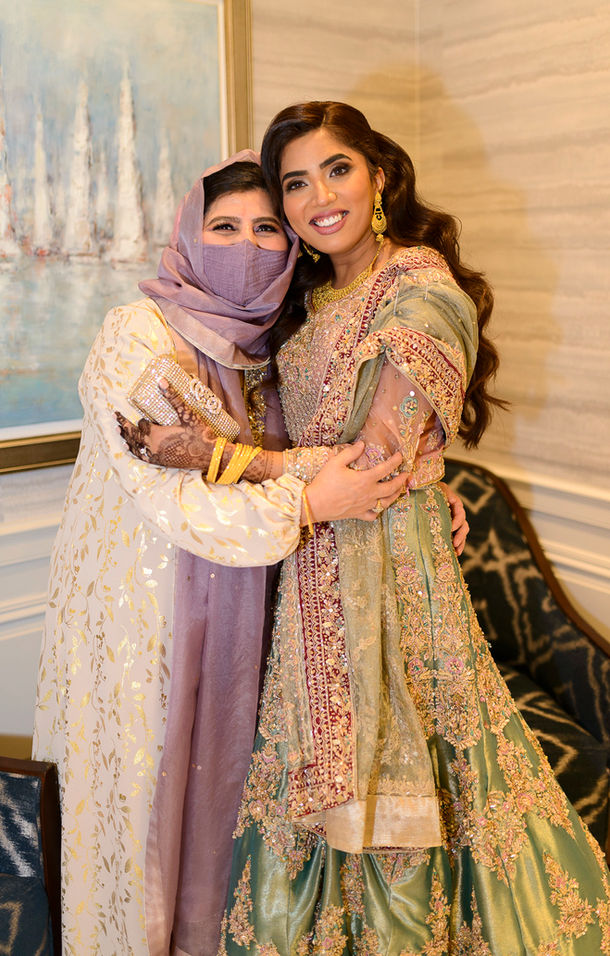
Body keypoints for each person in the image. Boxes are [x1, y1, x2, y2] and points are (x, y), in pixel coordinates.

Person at [123, 102, 610, 954]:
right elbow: (348, 448)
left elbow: (373, 464)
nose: (319, 198)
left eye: (337, 170)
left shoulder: (420, 291)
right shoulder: (313, 299)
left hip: (394, 584)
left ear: (379, 174)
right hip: (313, 572)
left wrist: (214, 456)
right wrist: (430, 476)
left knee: (414, 784)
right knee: (311, 793)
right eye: (296, 183)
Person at [32, 151, 416, 956]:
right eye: (224, 226)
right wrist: (311, 502)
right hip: (142, 630)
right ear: (188, 235)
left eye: (267, 228)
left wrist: (424, 487)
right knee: (141, 826)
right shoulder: (134, 335)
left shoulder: (268, 360)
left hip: (243, 629)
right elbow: (178, 501)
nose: (246, 245)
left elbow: (334, 452)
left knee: (220, 824)